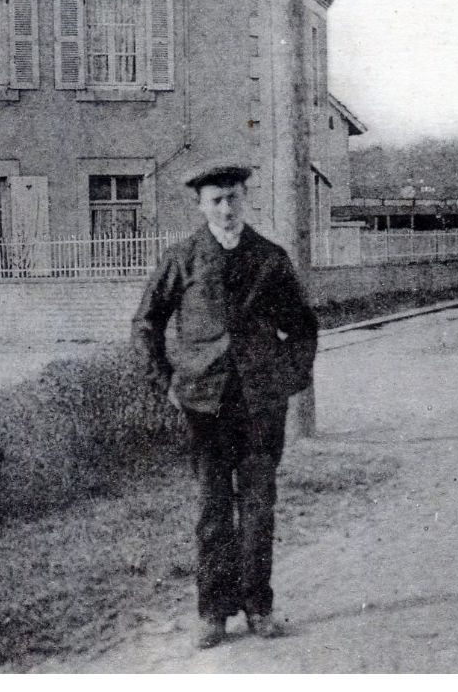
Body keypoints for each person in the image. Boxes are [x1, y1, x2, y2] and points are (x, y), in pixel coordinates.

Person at [132, 162, 319, 650]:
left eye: (233, 197)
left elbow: (302, 325)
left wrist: (289, 377)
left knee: (259, 505)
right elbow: (147, 322)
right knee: (212, 508)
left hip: (260, 403)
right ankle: (212, 612)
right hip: (204, 403)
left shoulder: (270, 258)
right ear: (200, 205)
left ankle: (259, 606)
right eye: (215, 200)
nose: (226, 208)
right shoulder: (184, 258)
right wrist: (167, 381)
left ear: (245, 198)